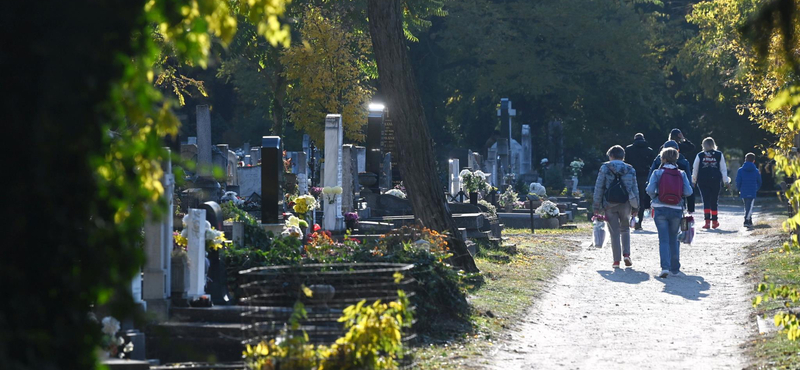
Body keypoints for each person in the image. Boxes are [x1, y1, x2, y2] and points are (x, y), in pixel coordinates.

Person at [647, 148, 693, 278]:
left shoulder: (657, 173)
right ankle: (675, 268)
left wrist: (655, 197)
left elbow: (649, 189)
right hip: (676, 209)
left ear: (663, 158)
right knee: (674, 238)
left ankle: (665, 267)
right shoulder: (681, 173)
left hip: (660, 208)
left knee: (663, 239)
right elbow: (688, 192)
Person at [593, 145, 640, 268]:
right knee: (625, 229)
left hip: (609, 203)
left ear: (611, 156)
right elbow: (635, 188)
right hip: (626, 202)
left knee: (614, 232)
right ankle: (626, 254)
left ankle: (616, 261)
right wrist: (636, 207)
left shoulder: (605, 168)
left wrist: (596, 206)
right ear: (622, 156)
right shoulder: (630, 169)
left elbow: (599, 187)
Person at [692, 137, 730, 229]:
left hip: (702, 180)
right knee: (714, 200)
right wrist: (726, 181)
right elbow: (723, 169)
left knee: (706, 200)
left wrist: (693, 181)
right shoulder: (719, 154)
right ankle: (715, 221)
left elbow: (695, 169)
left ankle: (707, 222)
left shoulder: (700, 155)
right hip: (715, 180)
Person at [625, 133, 656, 230]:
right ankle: (639, 222)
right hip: (644, 177)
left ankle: (629, 219)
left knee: (630, 198)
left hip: (630, 176)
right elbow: (653, 165)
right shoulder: (649, 150)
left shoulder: (628, 149)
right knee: (641, 200)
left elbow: (625, 163)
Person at [736, 153, 762, 227]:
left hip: (743, 189)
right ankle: (747, 220)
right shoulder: (756, 171)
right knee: (750, 206)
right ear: (754, 161)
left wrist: (739, 188)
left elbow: (738, 181)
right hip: (752, 190)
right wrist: (756, 188)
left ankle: (749, 219)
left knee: (746, 205)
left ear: (745, 159)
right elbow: (759, 181)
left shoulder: (740, 170)